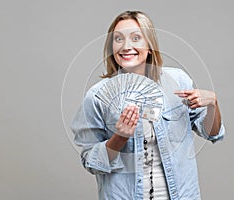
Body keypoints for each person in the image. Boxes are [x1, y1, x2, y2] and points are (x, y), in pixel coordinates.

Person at [71, 10, 225, 200]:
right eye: (118, 39)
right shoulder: (97, 96)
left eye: (136, 38)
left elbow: (212, 133)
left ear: (150, 46)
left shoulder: (178, 81)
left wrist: (213, 104)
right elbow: (91, 162)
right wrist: (120, 137)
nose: (126, 46)